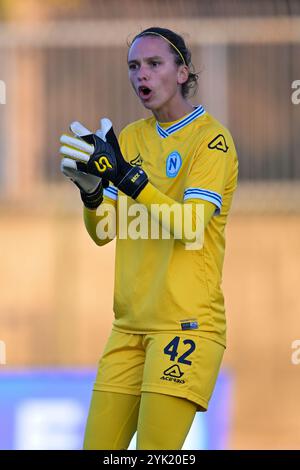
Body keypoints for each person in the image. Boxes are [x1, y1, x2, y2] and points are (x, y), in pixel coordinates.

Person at [59, 26, 238, 450]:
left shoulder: (211, 140)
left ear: (183, 73)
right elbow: (104, 232)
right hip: (128, 329)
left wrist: (126, 177)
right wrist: (91, 193)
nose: (143, 75)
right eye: (134, 66)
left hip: (185, 328)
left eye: (155, 64)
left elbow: (191, 226)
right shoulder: (132, 138)